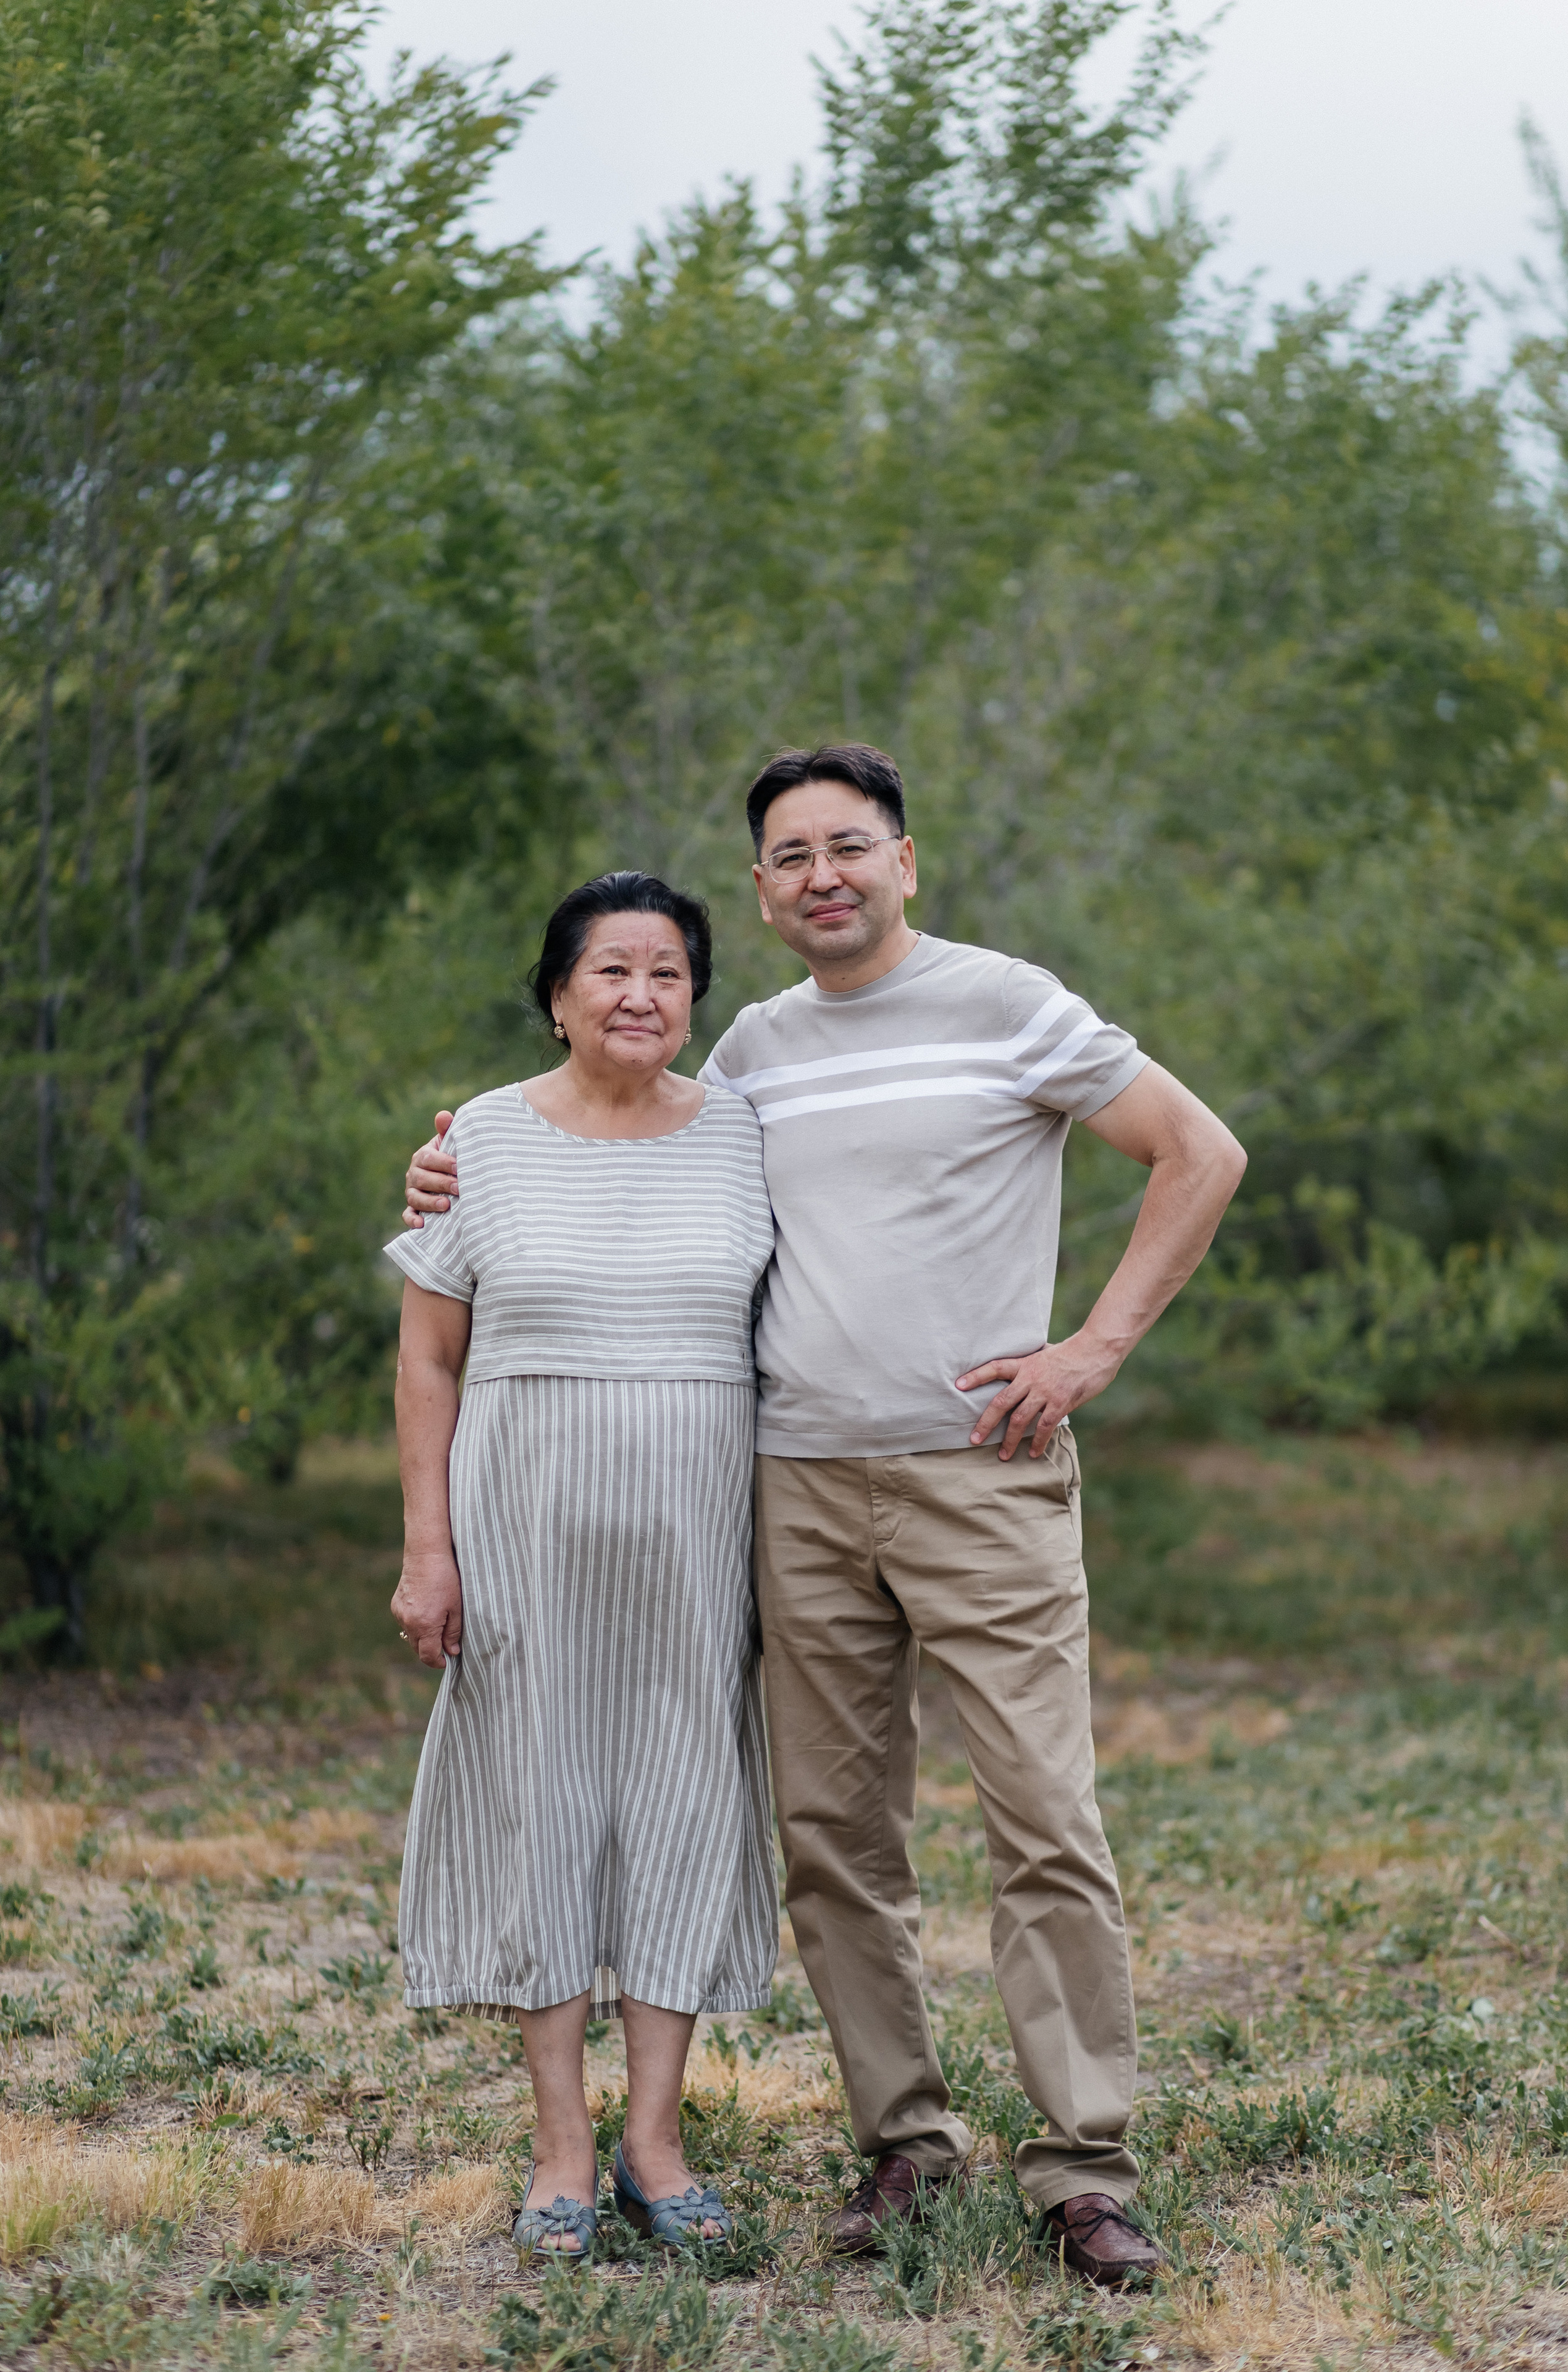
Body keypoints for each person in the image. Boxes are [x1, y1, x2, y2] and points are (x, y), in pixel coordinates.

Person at [403, 748, 1246, 2289]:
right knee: (833, 1844)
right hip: (789, 1489)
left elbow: (1200, 1154)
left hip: (976, 1473)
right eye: (789, 857)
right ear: (763, 892)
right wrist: (459, 1167)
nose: (821, 876)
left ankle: (1080, 2171)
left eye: (847, 847)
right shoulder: (753, 1057)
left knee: (1043, 1825)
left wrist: (1089, 1351)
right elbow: (615, 1159)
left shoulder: (1010, 1005)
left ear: (904, 862)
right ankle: (904, 2150)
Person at [385, 870, 777, 2262]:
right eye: (610, 970)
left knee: (681, 1808)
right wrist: (428, 1548)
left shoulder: (745, 1132)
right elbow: (428, 1355)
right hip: (522, 1541)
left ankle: (652, 2144)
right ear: (556, 997)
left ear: (693, 1000)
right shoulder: (477, 1140)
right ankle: (558, 2147)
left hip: (696, 1546)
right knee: (537, 1812)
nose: (639, 995)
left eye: (667, 972)